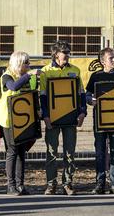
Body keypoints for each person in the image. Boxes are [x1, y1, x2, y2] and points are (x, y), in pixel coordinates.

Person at [40, 41, 87, 196]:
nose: (66, 54)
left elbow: (81, 94)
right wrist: (45, 116)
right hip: (52, 119)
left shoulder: (75, 70)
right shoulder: (45, 71)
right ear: (55, 54)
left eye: (68, 51)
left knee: (69, 152)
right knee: (51, 152)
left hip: (70, 118)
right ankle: (51, 184)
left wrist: (82, 112)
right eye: (63, 51)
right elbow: (43, 97)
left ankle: (67, 183)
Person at [85, 47, 114, 195]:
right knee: (100, 152)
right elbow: (87, 94)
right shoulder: (96, 76)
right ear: (102, 61)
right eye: (111, 58)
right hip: (100, 120)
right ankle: (100, 184)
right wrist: (90, 100)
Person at [0, 51, 40, 196]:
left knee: (22, 152)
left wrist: (37, 110)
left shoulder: (26, 77)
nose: (28, 65)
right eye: (26, 63)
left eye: (29, 63)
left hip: (23, 119)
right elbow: (13, 87)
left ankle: (20, 185)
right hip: (8, 119)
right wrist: (28, 75)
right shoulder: (7, 76)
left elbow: (32, 94)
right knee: (12, 151)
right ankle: (11, 185)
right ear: (18, 63)